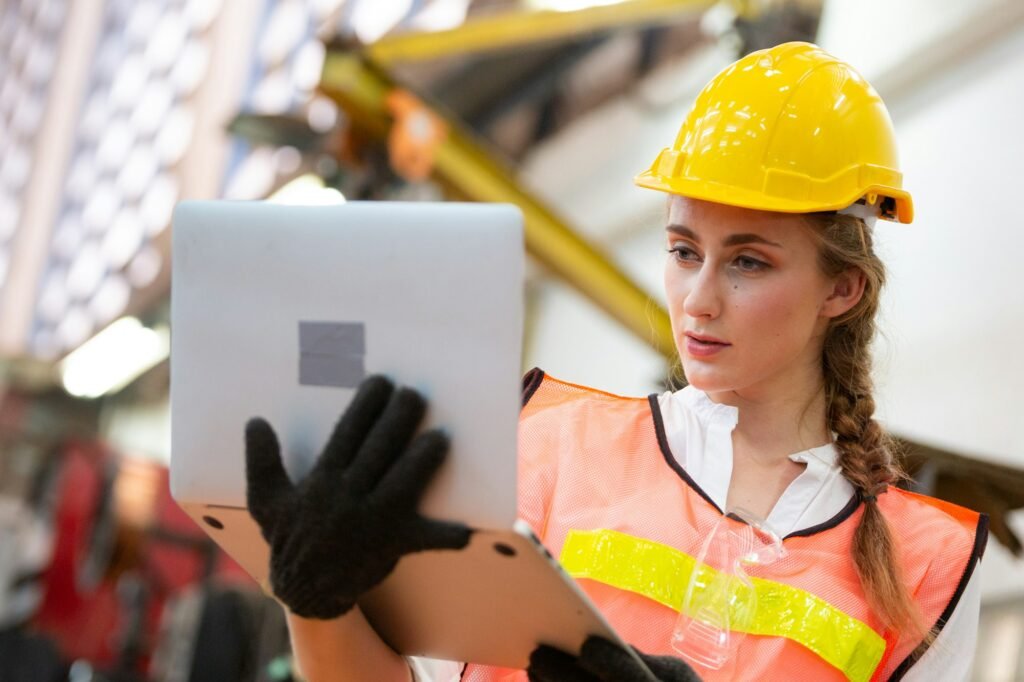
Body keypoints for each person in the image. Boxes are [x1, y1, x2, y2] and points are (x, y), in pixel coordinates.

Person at [244, 42, 987, 681]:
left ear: (842, 288)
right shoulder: (546, 442)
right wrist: (315, 600)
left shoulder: (931, 564)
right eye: (683, 251)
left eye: (748, 263)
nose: (697, 300)